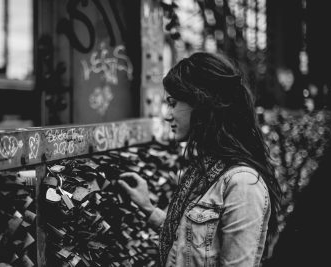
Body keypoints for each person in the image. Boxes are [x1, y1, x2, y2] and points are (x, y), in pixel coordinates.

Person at [118, 52, 281, 267]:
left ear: (202, 105)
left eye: (173, 103)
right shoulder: (208, 167)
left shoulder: (242, 184)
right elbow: (191, 242)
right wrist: (148, 208)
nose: (168, 114)